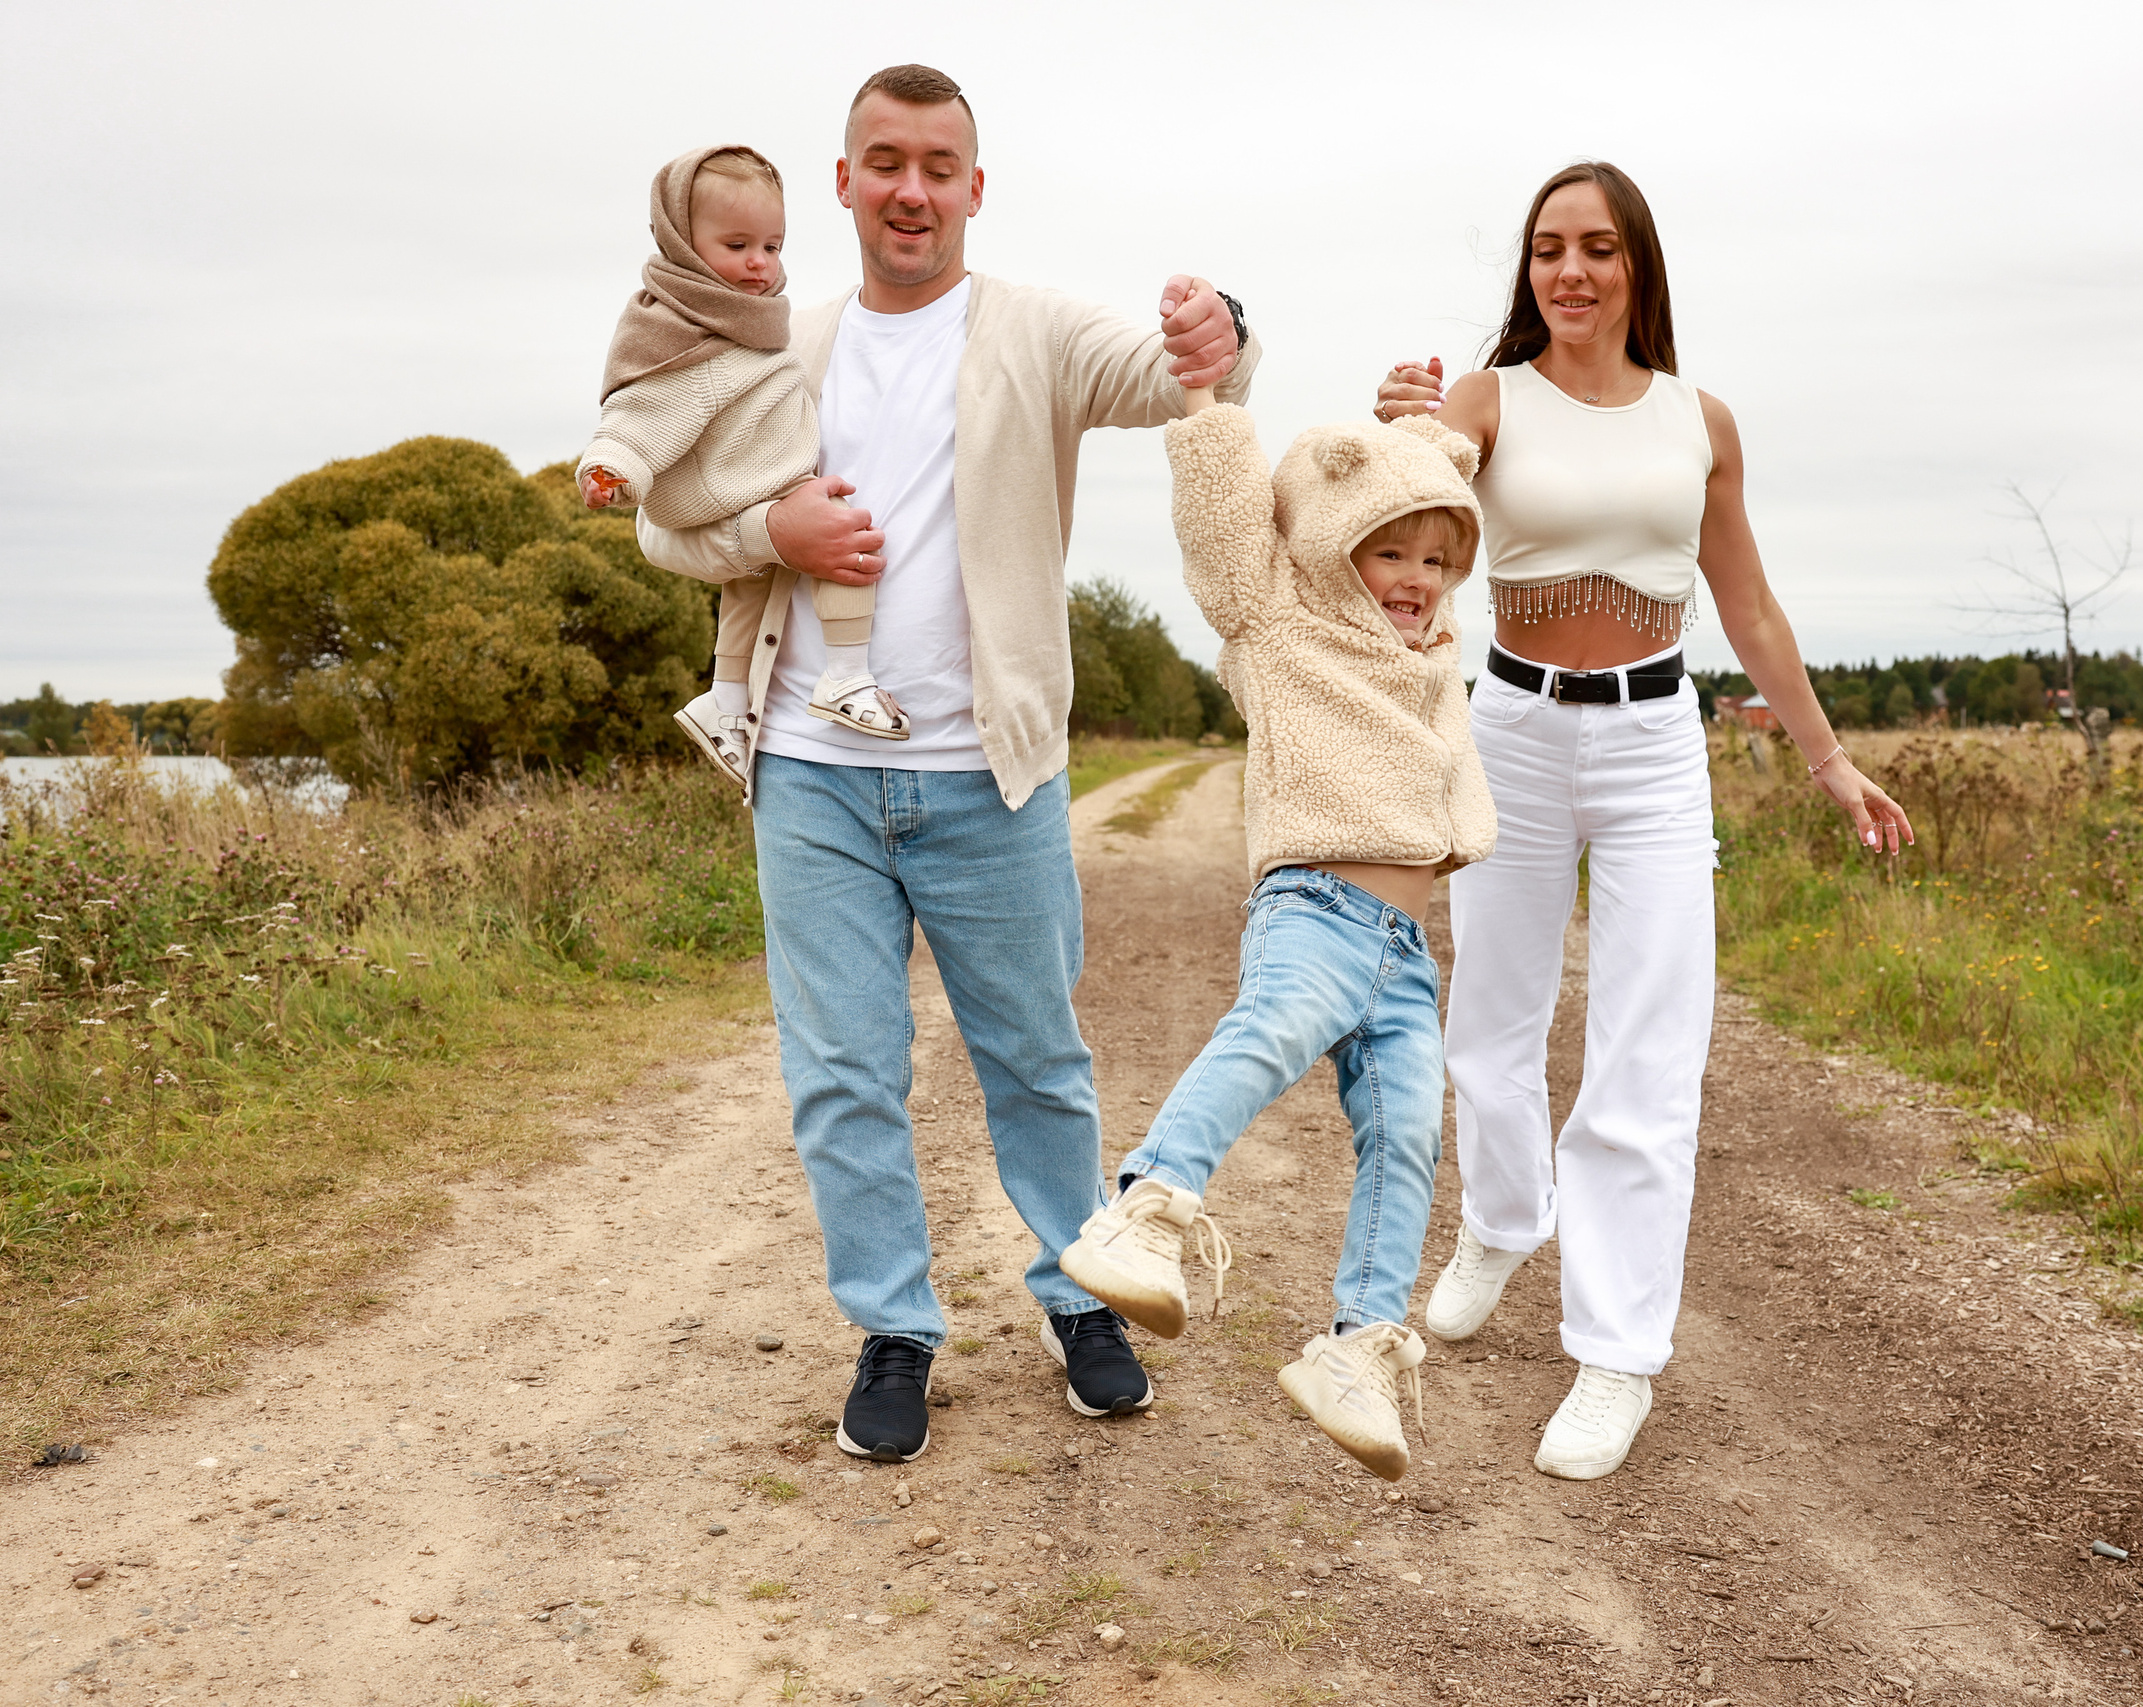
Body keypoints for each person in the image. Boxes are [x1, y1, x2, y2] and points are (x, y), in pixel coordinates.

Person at [635, 64, 1258, 1462]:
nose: (911, 188)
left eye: (938, 164)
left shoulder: (1034, 330)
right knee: (845, 1071)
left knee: (1036, 1058)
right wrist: (771, 539)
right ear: (845, 180)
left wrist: (1222, 327)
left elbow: (1178, 380)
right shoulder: (766, 347)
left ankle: (1074, 1292)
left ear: (976, 187)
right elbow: (663, 523)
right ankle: (894, 1328)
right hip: (809, 769)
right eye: (883, 161)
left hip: (996, 772)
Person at [1374, 162, 1915, 1481]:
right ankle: (1503, 1220)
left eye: (1597, 248)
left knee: (1648, 1046)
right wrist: (1396, 433)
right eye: (1549, 248)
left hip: (1655, 738)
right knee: (1491, 1022)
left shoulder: (1701, 421)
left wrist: (1827, 756)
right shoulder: (1488, 400)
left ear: (1635, 267)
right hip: (1509, 725)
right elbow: (1402, 525)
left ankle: (1616, 1350)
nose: (1571, 271)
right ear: (1530, 270)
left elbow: (1753, 605)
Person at [1058, 387, 1495, 1482]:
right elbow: (1225, 530)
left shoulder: (1429, 654)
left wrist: (1423, 430)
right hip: (1317, 907)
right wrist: (1209, 405)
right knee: (1272, 1027)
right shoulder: (1280, 620)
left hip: (1402, 950)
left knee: (1408, 1136)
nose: (1413, 579)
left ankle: (1357, 1347)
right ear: (1331, 551)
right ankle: (1145, 1206)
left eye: (1435, 561)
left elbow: (1446, 467)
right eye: (1387, 552)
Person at [578, 146, 909, 782]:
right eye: (737, 246)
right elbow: (644, 412)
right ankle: (846, 674)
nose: (760, 264)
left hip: (752, 484)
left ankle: (726, 700)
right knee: (843, 536)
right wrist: (612, 470)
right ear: (682, 242)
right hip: (735, 482)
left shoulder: (746, 325)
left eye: (773, 246)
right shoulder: (684, 338)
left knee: (753, 582)